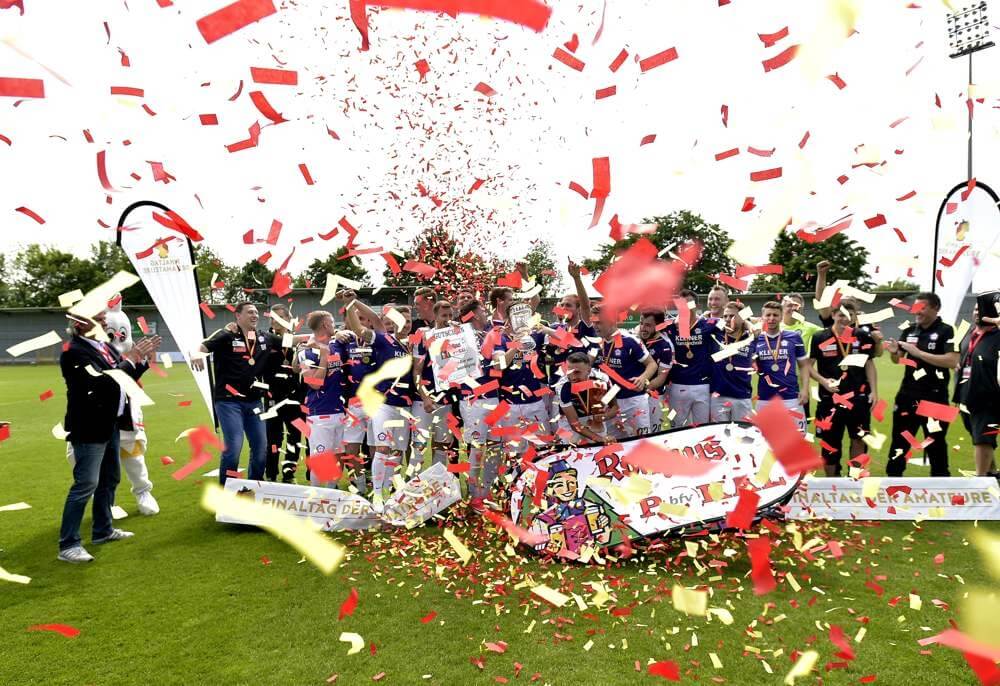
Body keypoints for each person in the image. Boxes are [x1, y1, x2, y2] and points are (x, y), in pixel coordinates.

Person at [58, 309, 160, 563]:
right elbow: (100, 384)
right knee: (85, 485)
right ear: (80, 324)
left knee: (109, 479)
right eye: (98, 318)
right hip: (89, 426)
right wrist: (130, 358)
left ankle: (102, 531)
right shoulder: (74, 351)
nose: (105, 321)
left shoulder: (103, 346)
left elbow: (124, 380)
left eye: (104, 317)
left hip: (110, 424)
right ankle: (68, 545)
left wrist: (143, 361)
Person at [193, 302, 281, 485]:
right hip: (228, 402)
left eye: (256, 312)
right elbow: (203, 346)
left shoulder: (264, 338)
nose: (255, 315)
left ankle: (255, 486)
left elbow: (291, 341)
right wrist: (196, 355)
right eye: (250, 312)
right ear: (238, 316)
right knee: (233, 447)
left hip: (255, 402)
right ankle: (227, 491)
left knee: (260, 447)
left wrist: (320, 337)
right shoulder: (226, 335)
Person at [343, 295, 414, 508]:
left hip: (405, 405)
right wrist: (351, 302)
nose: (403, 324)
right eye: (398, 320)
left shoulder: (415, 343)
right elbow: (362, 326)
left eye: (407, 321)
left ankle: (389, 494)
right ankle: (377, 496)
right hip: (383, 404)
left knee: (397, 452)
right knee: (382, 449)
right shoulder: (384, 338)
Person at [884, 292, 957, 477]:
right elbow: (897, 359)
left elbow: (951, 361)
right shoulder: (909, 330)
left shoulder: (947, 330)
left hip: (936, 397)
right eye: (916, 307)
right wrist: (894, 353)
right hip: (907, 395)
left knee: (936, 443)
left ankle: (941, 485)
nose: (917, 311)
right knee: (899, 442)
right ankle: (891, 483)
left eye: (922, 307)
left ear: (935, 308)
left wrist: (918, 353)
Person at [101, 295, 159, 515]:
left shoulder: (124, 355)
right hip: (99, 414)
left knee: (133, 453)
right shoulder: (91, 354)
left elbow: (132, 373)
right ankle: (108, 502)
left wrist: (142, 359)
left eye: (121, 334)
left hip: (126, 411)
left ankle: (143, 491)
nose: (117, 337)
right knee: (104, 461)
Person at [808, 301, 878, 476]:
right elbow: (807, 366)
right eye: (840, 315)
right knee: (830, 443)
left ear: (854, 317)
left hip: (858, 398)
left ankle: (854, 478)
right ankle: (832, 481)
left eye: (848, 315)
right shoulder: (819, 337)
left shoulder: (862, 336)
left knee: (859, 439)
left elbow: (869, 364)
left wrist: (874, 391)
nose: (844, 319)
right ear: (833, 315)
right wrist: (824, 381)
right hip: (829, 400)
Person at [457, 299, 504, 509]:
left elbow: (499, 366)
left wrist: (508, 350)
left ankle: (486, 492)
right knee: (476, 448)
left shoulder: (492, 335)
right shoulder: (457, 336)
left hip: (493, 397)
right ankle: (474, 495)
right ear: (475, 314)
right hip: (472, 400)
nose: (486, 313)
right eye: (483, 310)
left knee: (495, 447)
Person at [297, 310, 351, 488]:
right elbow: (314, 383)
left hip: (339, 411)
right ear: (325, 325)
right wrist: (324, 357)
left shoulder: (337, 345)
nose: (334, 325)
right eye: (332, 322)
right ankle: (316, 497)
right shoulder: (306, 352)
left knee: (337, 457)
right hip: (319, 414)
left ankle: (331, 494)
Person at [593, 305, 659, 438]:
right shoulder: (598, 343)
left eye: (599, 322)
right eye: (594, 322)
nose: (595, 326)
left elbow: (652, 364)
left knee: (641, 442)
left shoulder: (630, 340)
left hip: (633, 400)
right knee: (615, 443)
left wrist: (642, 378)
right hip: (611, 402)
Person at [412, 300, 459, 469]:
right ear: (435, 316)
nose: (447, 319)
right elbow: (416, 372)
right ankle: (412, 484)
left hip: (446, 400)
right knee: (419, 445)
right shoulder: (424, 337)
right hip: (424, 400)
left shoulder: (457, 337)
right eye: (443, 315)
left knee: (441, 446)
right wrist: (425, 398)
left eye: (450, 315)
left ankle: (439, 485)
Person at [263, 303, 306, 483]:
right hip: (273, 396)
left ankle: (289, 474)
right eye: (272, 318)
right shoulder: (265, 339)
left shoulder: (302, 342)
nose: (275, 321)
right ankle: (271, 474)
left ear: (289, 319)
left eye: (279, 317)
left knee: (295, 437)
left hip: (296, 396)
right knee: (273, 438)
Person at [753, 301, 810, 432]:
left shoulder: (794, 337)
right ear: (763, 317)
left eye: (775, 315)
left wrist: (805, 389)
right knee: (764, 442)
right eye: (768, 315)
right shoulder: (755, 339)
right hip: (765, 398)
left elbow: (804, 365)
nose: (771, 318)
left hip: (790, 398)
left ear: (781, 317)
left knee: (797, 441)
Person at [959, 291, 1000, 477]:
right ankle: (991, 472)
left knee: (983, 438)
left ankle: (981, 480)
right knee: (977, 434)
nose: (977, 312)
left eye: (980, 309)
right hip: (966, 393)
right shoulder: (969, 334)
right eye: (975, 309)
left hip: (989, 395)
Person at [664, 289, 718, 426]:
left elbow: (739, 321)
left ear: (697, 306)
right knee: (675, 427)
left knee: (702, 428)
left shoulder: (709, 324)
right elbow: (640, 330)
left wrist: (749, 324)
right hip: (677, 386)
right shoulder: (669, 326)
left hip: (702, 386)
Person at [814, 260, 884, 357]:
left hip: (859, 370)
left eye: (852, 299)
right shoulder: (834, 319)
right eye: (845, 298)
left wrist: (878, 342)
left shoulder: (867, 323)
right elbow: (822, 301)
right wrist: (821, 275)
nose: (848, 302)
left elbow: (878, 354)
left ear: (858, 304)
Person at [558, 352, 619, 444]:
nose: (573, 377)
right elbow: (574, 424)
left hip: (595, 419)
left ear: (589, 370)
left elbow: (615, 407)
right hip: (570, 421)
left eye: (577, 372)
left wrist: (605, 416)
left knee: (600, 451)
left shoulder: (603, 379)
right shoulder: (562, 386)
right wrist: (599, 439)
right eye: (569, 372)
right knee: (571, 452)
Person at [709, 302, 754, 422]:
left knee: (743, 435)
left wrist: (748, 324)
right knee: (719, 436)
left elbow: (758, 323)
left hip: (742, 396)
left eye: (732, 316)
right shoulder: (716, 333)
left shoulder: (750, 338)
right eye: (725, 316)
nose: (728, 319)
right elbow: (703, 318)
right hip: (718, 397)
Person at [637, 310, 674, 432]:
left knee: (654, 434)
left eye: (648, 325)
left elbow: (661, 378)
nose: (643, 328)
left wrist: (641, 389)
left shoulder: (665, 346)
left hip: (653, 397)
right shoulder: (634, 339)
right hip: (633, 396)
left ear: (658, 326)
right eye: (641, 323)